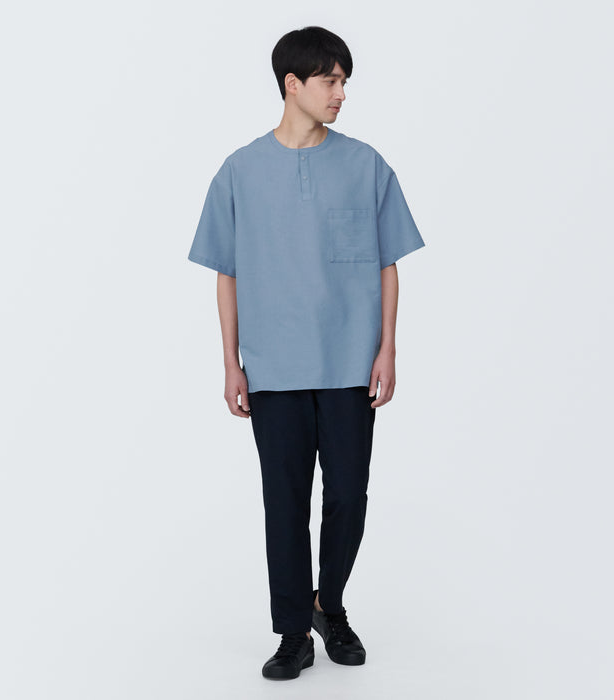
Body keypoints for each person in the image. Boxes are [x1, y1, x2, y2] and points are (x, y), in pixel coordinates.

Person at [188, 26, 425, 680]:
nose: (341, 93)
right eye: (331, 80)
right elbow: (227, 272)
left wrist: (388, 349)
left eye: (345, 81)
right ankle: (293, 631)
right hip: (274, 366)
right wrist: (231, 362)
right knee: (285, 503)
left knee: (348, 493)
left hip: (349, 360)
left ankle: (330, 603)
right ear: (292, 85)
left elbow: (387, 263)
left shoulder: (366, 165)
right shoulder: (239, 171)